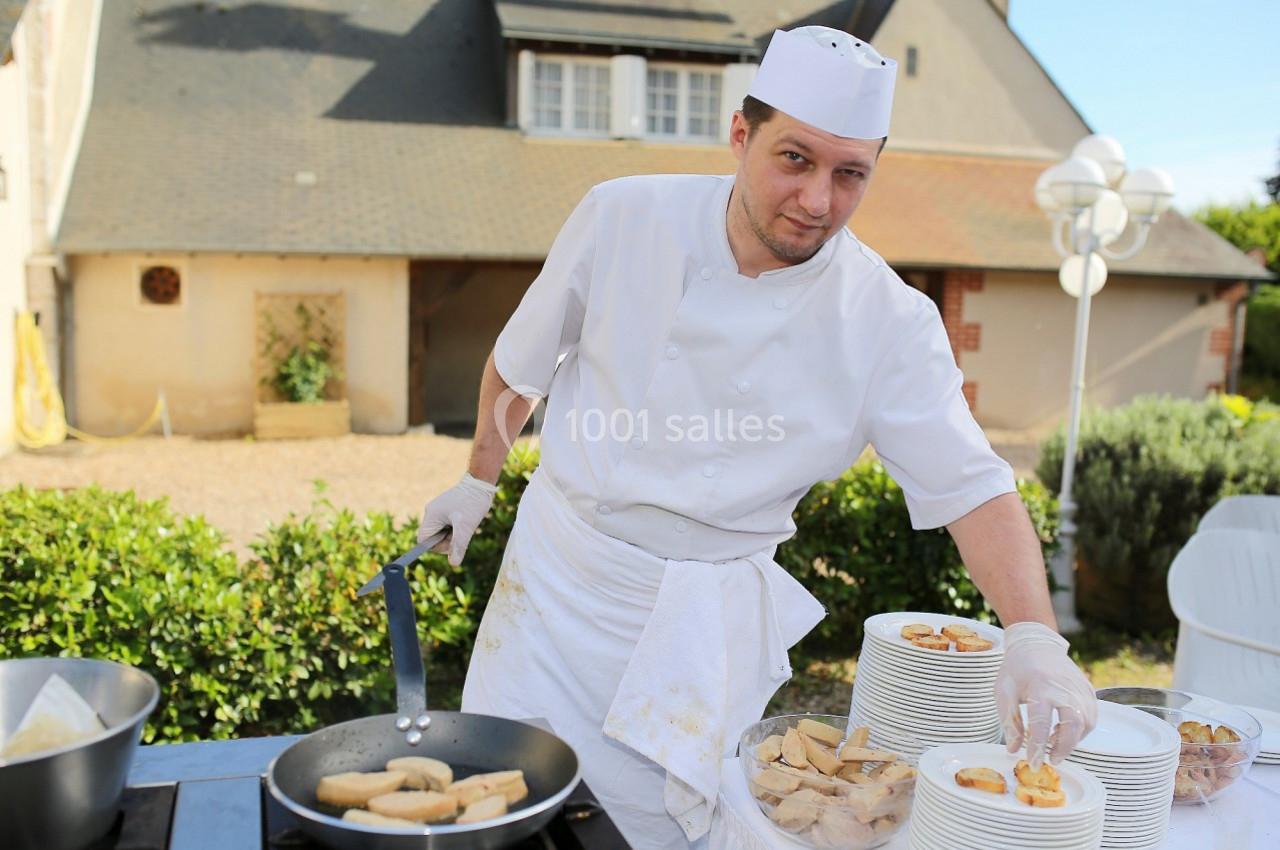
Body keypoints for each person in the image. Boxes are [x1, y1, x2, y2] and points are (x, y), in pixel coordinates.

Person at [417, 25, 1097, 850]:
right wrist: (479, 482)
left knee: (653, 832)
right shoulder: (623, 215)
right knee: (503, 808)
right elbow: (520, 366)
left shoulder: (889, 321)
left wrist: (1032, 632)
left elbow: (973, 486)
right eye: (795, 160)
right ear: (740, 135)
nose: (818, 200)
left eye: (852, 174)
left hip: (698, 626)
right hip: (558, 588)